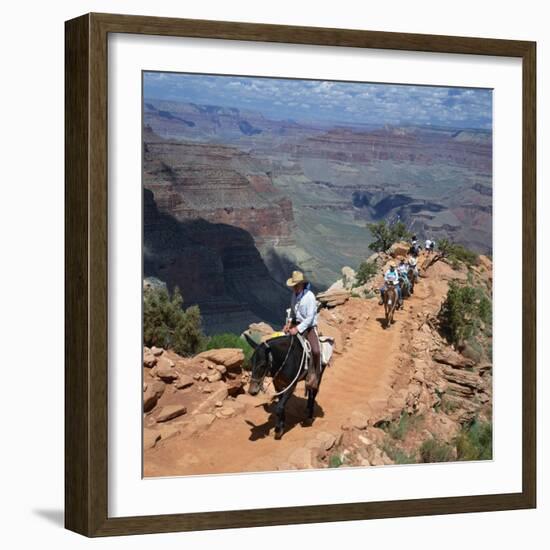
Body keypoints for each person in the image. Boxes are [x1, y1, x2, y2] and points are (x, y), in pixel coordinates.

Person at [283, 270, 321, 391]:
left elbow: (310, 318)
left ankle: (315, 374)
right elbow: (293, 312)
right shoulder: (294, 295)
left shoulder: (310, 297)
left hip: (308, 326)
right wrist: (288, 324)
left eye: (296, 285)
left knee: (315, 351)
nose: (294, 287)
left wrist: (298, 329)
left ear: (302, 284)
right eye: (293, 285)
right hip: (296, 323)